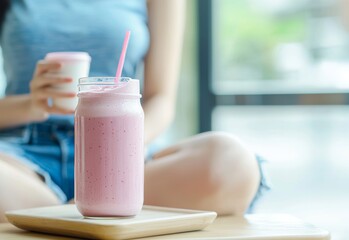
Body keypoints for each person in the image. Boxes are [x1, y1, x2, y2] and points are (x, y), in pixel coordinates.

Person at [0, 0, 266, 222]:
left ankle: (52, 219)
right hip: (24, 156)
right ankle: (78, 214)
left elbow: (160, 99)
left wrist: (123, 144)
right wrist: (31, 104)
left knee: (232, 162)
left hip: (126, 148)